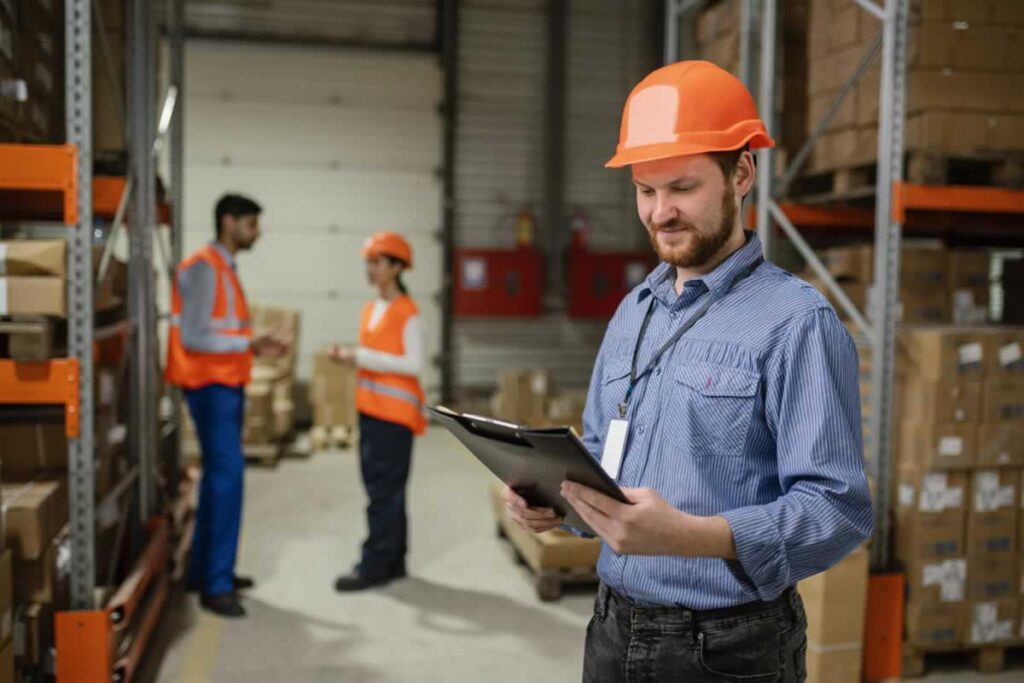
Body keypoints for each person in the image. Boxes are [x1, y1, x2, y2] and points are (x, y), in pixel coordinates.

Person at [502, 61, 872, 681]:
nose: (660, 212)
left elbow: (837, 510)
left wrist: (693, 535)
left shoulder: (795, 322)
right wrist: (555, 501)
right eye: (646, 191)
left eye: (681, 187)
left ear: (742, 174)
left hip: (729, 647)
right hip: (612, 628)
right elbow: (602, 453)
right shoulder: (634, 311)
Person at [166, 193, 290, 618]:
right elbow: (194, 337)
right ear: (228, 223)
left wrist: (253, 347)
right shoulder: (204, 268)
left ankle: (205, 571)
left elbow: (222, 332)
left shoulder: (223, 268)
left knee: (221, 479)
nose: (257, 232)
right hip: (210, 387)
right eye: (251, 224)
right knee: (227, 479)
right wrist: (248, 343)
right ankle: (215, 585)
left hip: (225, 384)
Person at [330, 231, 426, 592]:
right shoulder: (371, 309)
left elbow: (413, 364)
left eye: (377, 262)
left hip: (394, 418)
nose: (370, 269)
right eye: (368, 262)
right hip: (372, 411)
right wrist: (351, 359)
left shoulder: (408, 313)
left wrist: (359, 356)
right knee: (388, 492)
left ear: (397, 267)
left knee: (382, 494)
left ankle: (375, 565)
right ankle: (395, 559)